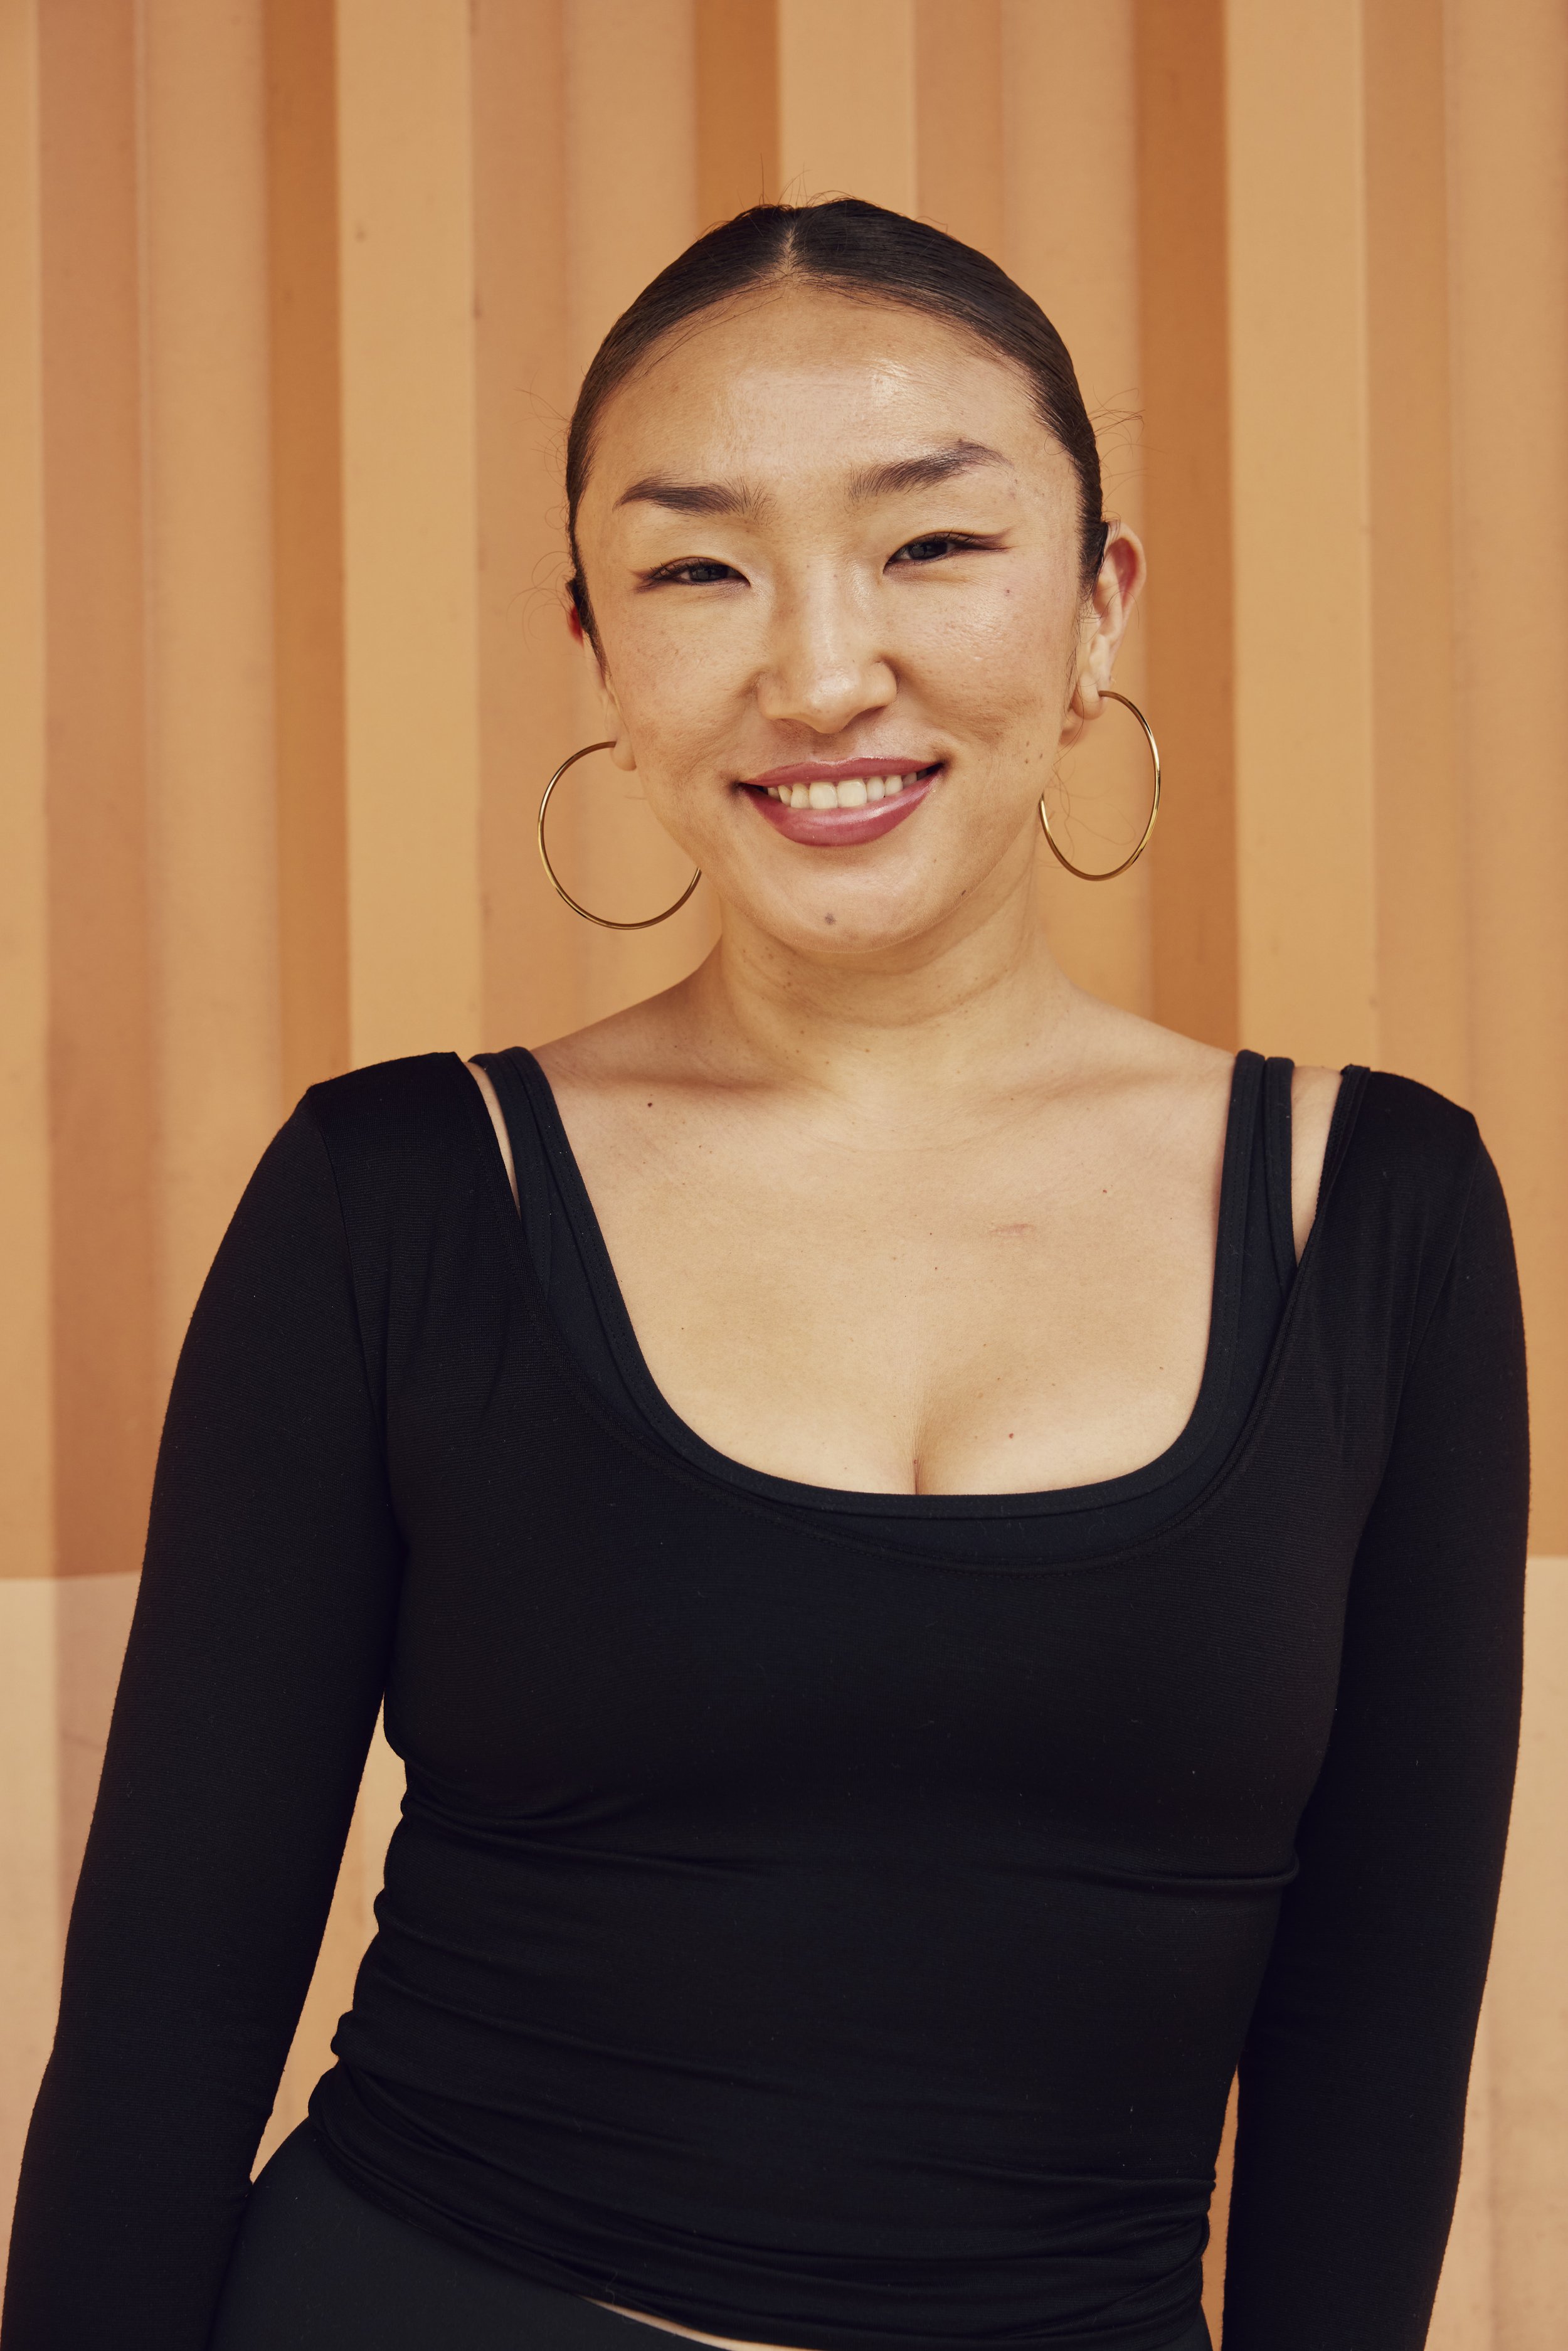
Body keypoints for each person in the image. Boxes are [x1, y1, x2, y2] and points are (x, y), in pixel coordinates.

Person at [2, 199, 1527, 2351]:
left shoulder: (1377, 1216)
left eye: (928, 545)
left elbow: (1373, 2074)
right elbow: (161, 2026)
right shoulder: (391, 1195)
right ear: (597, 657)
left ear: (1102, 602)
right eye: (697, 566)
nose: (818, 668)